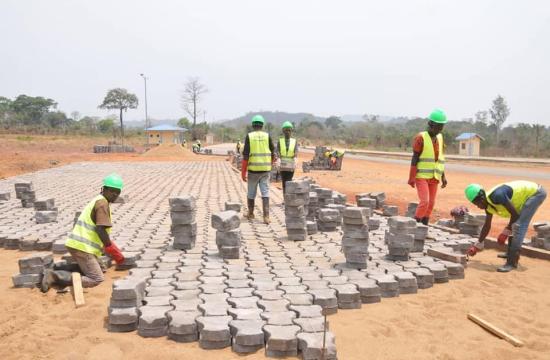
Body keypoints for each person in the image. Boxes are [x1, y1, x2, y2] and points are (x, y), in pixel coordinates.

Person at [41, 174, 126, 292]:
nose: (115, 195)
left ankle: (58, 268)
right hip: (83, 247)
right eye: (112, 191)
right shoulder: (102, 204)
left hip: (79, 244)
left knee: (100, 268)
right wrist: (110, 248)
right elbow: (100, 229)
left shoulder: (98, 200)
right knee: (96, 278)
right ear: (104, 189)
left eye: (118, 192)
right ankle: (54, 276)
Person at [465, 181, 546, 272]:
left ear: (482, 197)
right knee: (515, 225)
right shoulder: (487, 206)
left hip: (535, 193)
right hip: (526, 197)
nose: (477, 206)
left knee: (519, 226)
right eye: (475, 204)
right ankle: (510, 253)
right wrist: (477, 245)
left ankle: (511, 263)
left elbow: (515, 215)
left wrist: (505, 232)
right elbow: (487, 225)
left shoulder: (497, 196)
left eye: (478, 203)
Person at [407, 108, 448, 225]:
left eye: (442, 126)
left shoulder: (440, 137)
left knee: (431, 203)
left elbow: (440, 158)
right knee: (424, 201)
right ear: (430, 124)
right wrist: (411, 177)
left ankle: (423, 228)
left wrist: (443, 177)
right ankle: (415, 226)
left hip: (435, 177)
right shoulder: (420, 137)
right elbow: (415, 158)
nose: (440, 129)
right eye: (438, 126)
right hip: (422, 176)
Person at [241, 114, 275, 224]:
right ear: (262, 125)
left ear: (253, 125)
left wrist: (243, 172)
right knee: (265, 192)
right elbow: (273, 153)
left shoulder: (249, 136)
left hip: (253, 170)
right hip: (265, 170)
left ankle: (250, 213)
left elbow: (246, 156)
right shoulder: (267, 136)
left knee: (251, 193)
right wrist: (270, 165)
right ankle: (266, 217)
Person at [276, 121, 298, 194]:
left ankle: (288, 197)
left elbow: (296, 151)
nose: (287, 132)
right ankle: (285, 198)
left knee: (289, 181)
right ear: (283, 131)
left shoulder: (294, 141)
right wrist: (278, 159)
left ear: (291, 131)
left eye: (289, 130)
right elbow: (277, 151)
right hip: (282, 165)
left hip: (291, 166)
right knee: (284, 182)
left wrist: (295, 158)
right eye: (286, 130)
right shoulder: (280, 141)